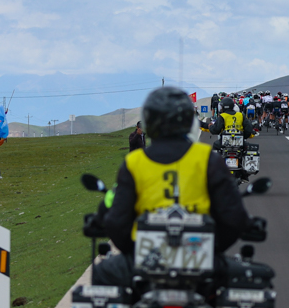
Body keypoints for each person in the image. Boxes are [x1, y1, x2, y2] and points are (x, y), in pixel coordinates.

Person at [100, 86, 253, 261]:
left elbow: (117, 219)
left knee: (105, 272)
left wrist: (132, 251)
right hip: (199, 256)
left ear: (149, 122)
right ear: (189, 121)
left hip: (147, 259)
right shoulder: (208, 159)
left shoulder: (134, 162)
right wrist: (214, 250)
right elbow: (233, 216)